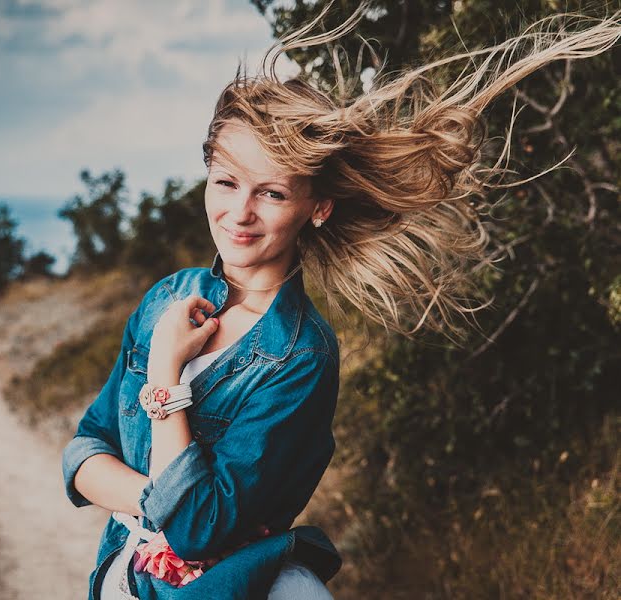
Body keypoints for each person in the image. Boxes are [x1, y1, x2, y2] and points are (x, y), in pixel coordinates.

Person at [61, 3, 620, 599]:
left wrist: (167, 372)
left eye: (271, 192)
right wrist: (156, 503)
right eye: (225, 182)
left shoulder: (299, 355)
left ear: (316, 207)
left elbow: (198, 529)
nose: (239, 213)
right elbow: (85, 450)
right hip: (119, 582)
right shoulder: (165, 300)